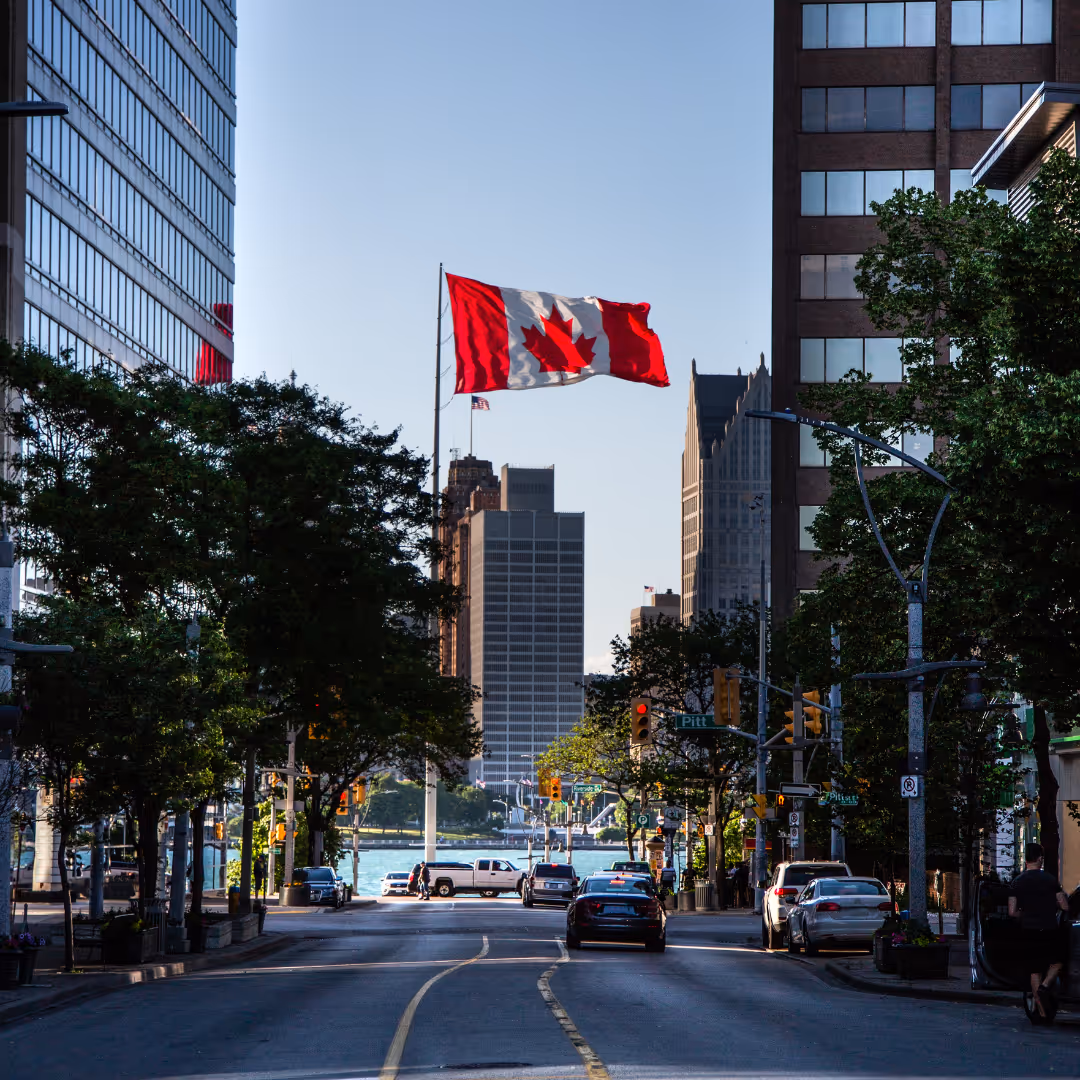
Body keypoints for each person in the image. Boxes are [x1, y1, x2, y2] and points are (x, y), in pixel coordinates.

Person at [1008, 842, 1070, 1017]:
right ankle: (1045, 986)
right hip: (1049, 928)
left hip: (1028, 930)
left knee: (1034, 970)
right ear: (1040, 859)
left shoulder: (1017, 882)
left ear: (1026, 859)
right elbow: (1064, 906)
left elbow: (1012, 912)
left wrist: (1025, 914)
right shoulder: (1050, 880)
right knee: (1058, 961)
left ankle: (1042, 1014)